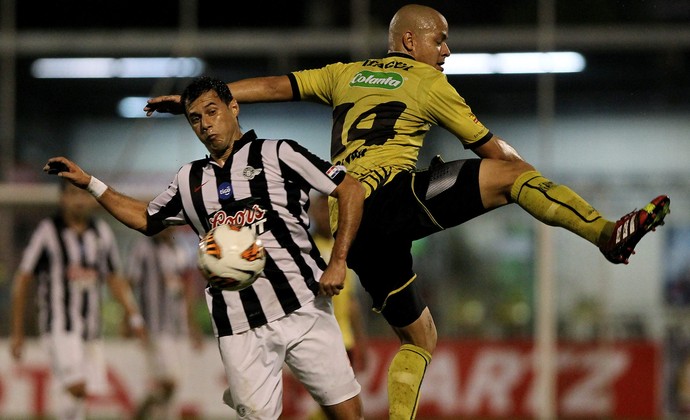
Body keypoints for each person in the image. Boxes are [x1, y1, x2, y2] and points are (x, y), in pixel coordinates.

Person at [144, 5, 671, 418]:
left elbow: (277, 86)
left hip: (353, 222)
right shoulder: (427, 82)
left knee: (420, 338)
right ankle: (605, 234)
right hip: (390, 198)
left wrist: (200, 100)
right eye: (440, 39)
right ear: (408, 41)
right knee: (511, 178)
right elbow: (493, 152)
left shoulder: (346, 74)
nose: (447, 50)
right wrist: (533, 181)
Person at [46, 76, 366, 420]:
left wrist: (338, 261)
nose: (205, 125)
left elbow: (350, 190)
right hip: (239, 326)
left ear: (234, 107)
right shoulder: (189, 179)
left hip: (303, 308)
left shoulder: (279, 153)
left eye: (212, 112)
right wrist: (91, 183)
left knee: (347, 414)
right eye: (195, 118)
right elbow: (146, 218)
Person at [9, 181, 147, 420]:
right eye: (73, 195)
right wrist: (17, 330)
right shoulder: (48, 231)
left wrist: (133, 316)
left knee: (80, 397)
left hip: (91, 329)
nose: (79, 200)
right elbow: (23, 279)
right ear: (62, 199)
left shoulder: (101, 232)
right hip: (59, 325)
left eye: (83, 195)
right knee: (77, 387)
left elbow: (114, 277)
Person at [126, 227, 204, 420]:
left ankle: (151, 414)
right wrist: (129, 319)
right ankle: (137, 414)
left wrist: (192, 324)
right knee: (170, 383)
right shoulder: (143, 248)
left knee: (174, 388)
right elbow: (130, 282)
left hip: (180, 328)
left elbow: (187, 289)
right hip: (155, 326)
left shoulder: (181, 249)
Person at [306, 193, 368, 420]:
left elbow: (351, 300)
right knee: (338, 409)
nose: (324, 215)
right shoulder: (305, 248)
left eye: (329, 210)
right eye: (320, 210)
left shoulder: (343, 250)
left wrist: (361, 341)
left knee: (341, 409)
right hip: (315, 339)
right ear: (311, 212)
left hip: (345, 340)